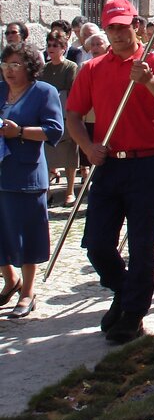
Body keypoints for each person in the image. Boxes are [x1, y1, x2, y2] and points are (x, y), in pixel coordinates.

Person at [66, 0, 154, 343]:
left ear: (137, 26)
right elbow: (73, 114)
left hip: (146, 163)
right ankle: (123, 290)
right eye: (111, 27)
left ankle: (133, 314)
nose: (117, 33)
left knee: (143, 244)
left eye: (123, 26)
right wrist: (87, 148)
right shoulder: (92, 68)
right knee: (97, 244)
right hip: (107, 164)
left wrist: (150, 82)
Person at [0, 42, 64, 319]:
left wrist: (21, 131)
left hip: (26, 175)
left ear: (29, 67)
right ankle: (9, 280)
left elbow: (54, 130)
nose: (9, 72)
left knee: (26, 234)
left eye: (15, 66)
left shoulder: (43, 92)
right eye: (5, 66)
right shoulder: (0, 90)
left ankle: (27, 292)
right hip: (1, 172)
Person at [39, 32, 79, 206]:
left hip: (65, 113)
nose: (51, 49)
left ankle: (70, 191)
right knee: (47, 154)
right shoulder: (44, 69)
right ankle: (46, 190)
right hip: (47, 114)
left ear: (64, 48)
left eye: (56, 46)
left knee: (70, 152)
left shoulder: (70, 67)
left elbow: (71, 91)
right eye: (49, 45)